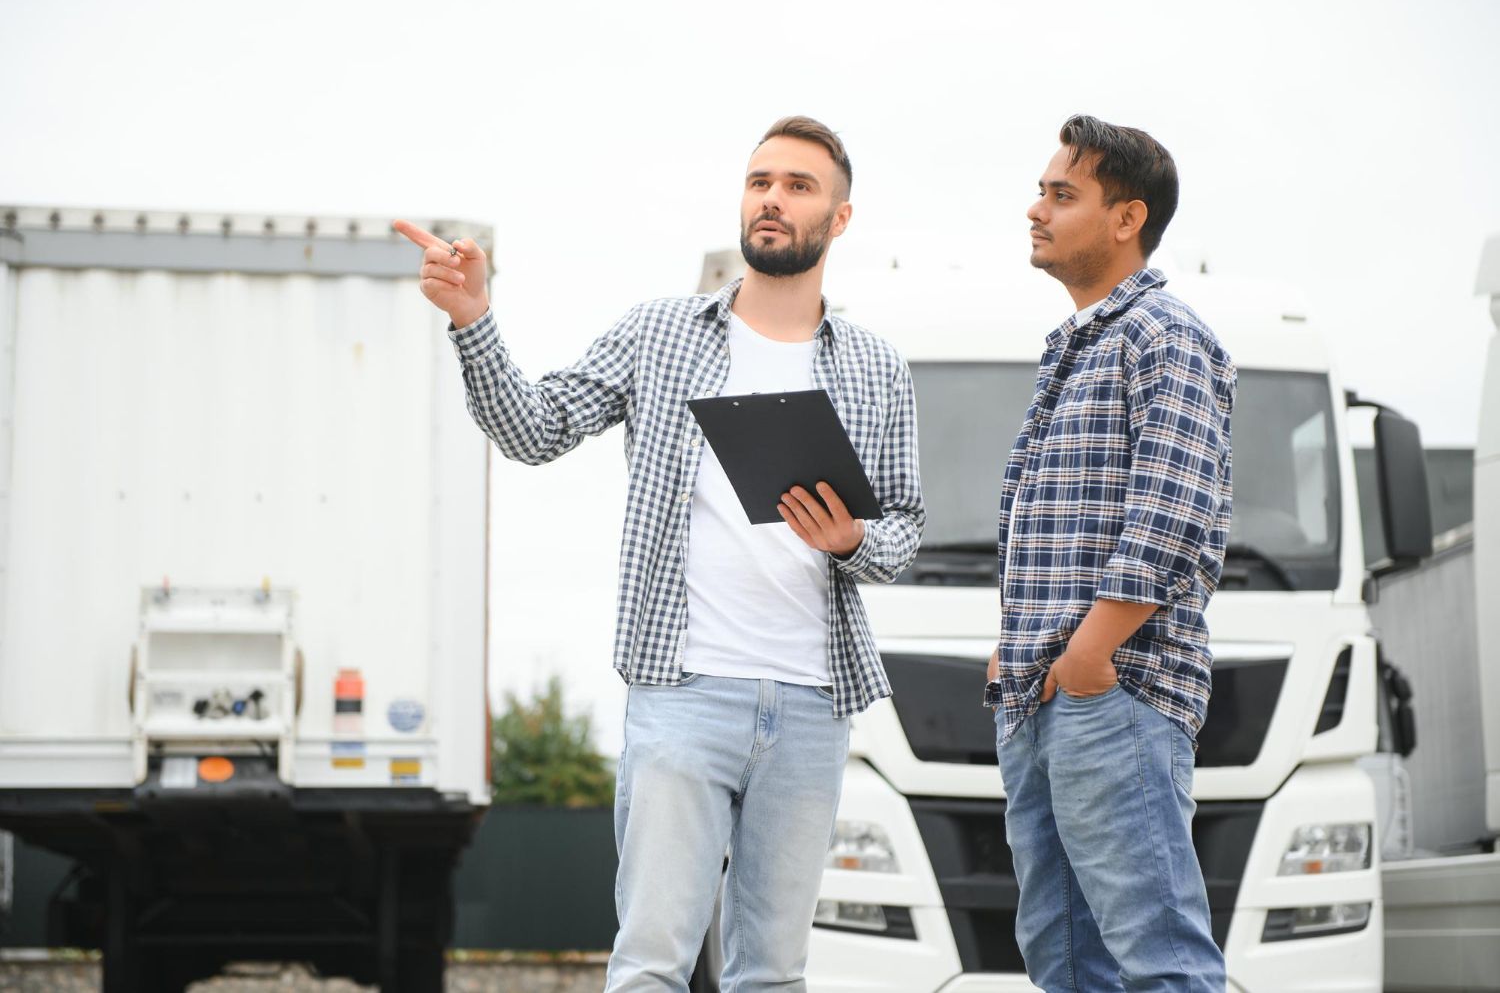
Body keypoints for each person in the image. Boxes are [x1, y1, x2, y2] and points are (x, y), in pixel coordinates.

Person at [396, 115, 924, 992]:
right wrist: (474, 321)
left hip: (811, 704)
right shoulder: (660, 334)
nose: (772, 199)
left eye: (798, 186)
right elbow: (533, 431)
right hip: (682, 695)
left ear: (839, 218)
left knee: (774, 974)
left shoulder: (876, 367)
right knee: (650, 965)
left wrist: (854, 539)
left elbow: (904, 530)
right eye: (761, 181)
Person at [984, 115, 1236, 991]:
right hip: (1039, 694)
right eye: (1041, 192)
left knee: (1159, 959)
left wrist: (1092, 652)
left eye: (1062, 195)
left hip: (1114, 691)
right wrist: (1017, 646)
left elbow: (1175, 510)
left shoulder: (1163, 334)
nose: (1036, 209)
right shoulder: (1073, 346)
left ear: (1126, 218)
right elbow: (1048, 526)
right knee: (1063, 963)